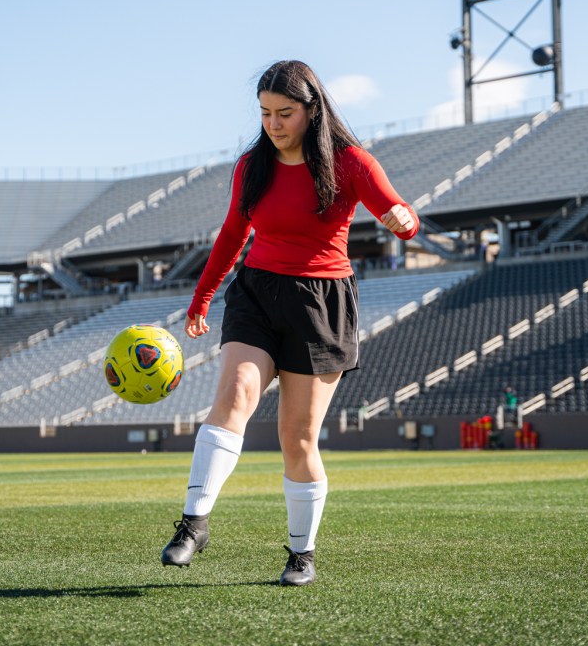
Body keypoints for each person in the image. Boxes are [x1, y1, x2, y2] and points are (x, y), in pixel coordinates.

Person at [160, 60, 420, 585]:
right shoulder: (250, 166)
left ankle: (302, 554)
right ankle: (193, 523)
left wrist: (404, 220)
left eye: (284, 113)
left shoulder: (350, 163)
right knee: (234, 394)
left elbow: (399, 212)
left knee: (296, 438)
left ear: (311, 110)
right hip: (256, 291)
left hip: (320, 303)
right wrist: (202, 299)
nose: (273, 124)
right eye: (264, 113)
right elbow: (233, 233)